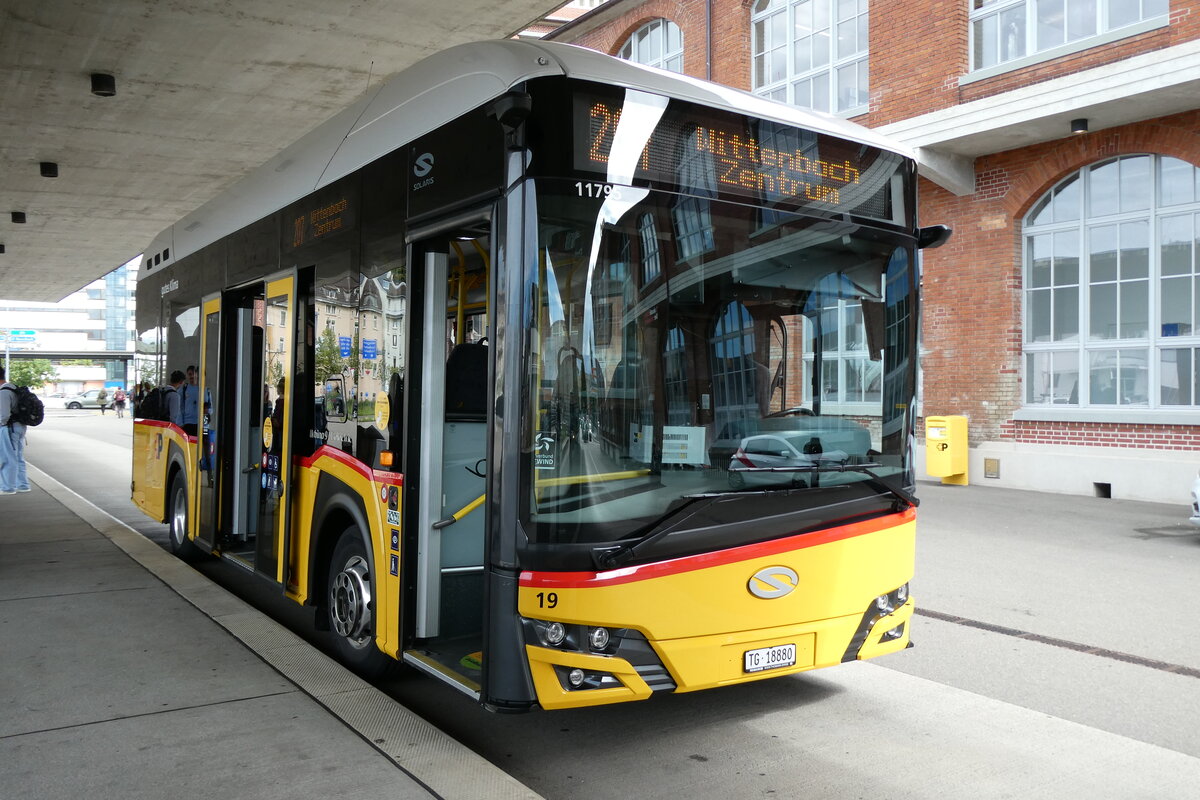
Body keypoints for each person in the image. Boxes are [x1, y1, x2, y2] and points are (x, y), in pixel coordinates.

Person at [0, 367, 31, 494]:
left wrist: (1, 424)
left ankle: (8, 487)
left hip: (9, 427)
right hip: (19, 426)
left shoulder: (3, 392)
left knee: (8, 457)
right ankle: (23, 485)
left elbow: (4, 415)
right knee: (18, 456)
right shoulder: (13, 388)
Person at [180, 365, 200, 436]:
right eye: (190, 374)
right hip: (187, 424)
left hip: (200, 424)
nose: (192, 376)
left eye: (194, 374)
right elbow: (180, 407)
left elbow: (210, 409)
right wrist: (181, 424)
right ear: (187, 376)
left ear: (197, 375)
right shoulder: (183, 389)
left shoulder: (204, 390)